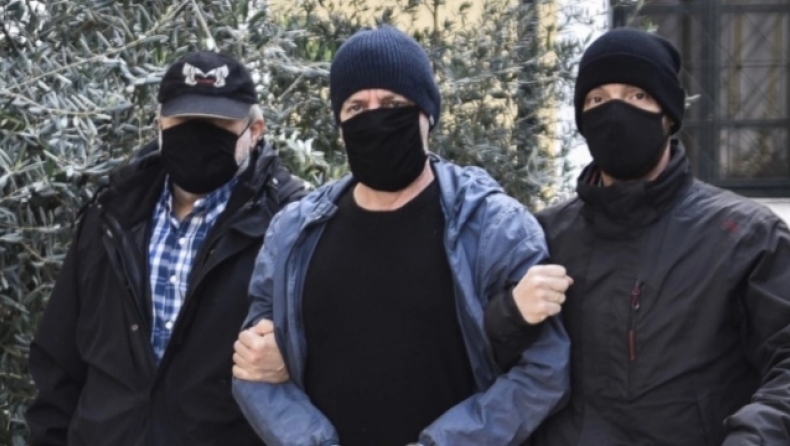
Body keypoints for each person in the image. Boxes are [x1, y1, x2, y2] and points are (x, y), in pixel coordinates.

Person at [231, 26, 571, 446]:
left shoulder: (494, 226)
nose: (374, 118)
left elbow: (543, 370)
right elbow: (253, 366)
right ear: (340, 123)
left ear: (428, 114)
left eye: (393, 104)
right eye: (356, 107)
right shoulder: (294, 232)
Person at [486, 28, 790, 445]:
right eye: (597, 99)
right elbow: (490, 366)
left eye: (637, 95)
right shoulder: (542, 236)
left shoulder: (745, 237)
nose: (615, 111)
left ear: (669, 115)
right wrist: (509, 314)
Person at [26, 51, 305, 446]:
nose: (197, 135)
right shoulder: (111, 216)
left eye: (217, 124)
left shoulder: (289, 227)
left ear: (255, 130)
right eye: (183, 122)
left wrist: (294, 358)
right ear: (160, 124)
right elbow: (59, 360)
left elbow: (334, 359)